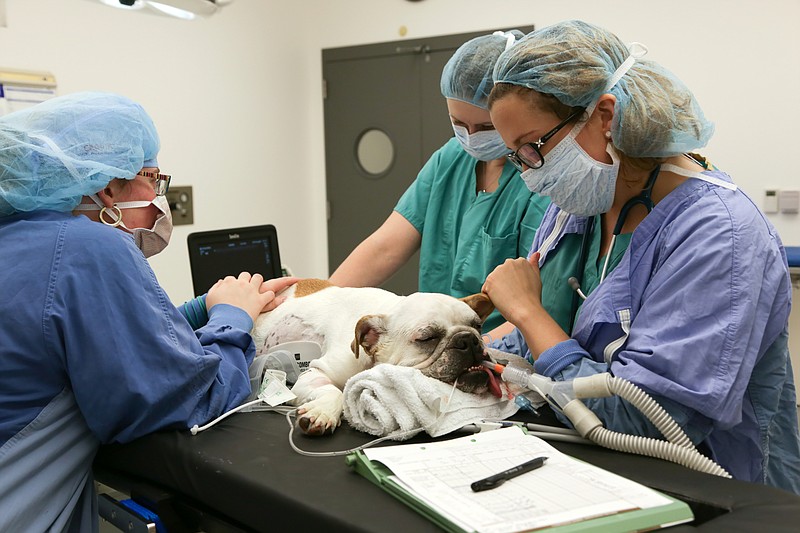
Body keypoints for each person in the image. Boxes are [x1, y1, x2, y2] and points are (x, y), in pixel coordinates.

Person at [482, 20, 800, 493]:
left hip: (716, 493)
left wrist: (527, 312)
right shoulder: (580, 208)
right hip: (593, 474)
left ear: (605, 116)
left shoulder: (720, 236)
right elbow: (539, 349)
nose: (529, 172)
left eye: (533, 147)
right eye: (515, 155)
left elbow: (650, 421)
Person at [0, 91, 296, 531]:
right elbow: (186, 399)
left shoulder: (19, 239)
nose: (159, 198)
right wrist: (234, 321)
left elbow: (78, 341)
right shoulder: (88, 249)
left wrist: (202, 309)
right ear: (109, 188)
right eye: (152, 180)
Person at [329, 30, 550, 332]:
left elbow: (542, 306)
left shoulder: (540, 178)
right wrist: (321, 300)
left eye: (486, 126)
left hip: (501, 347)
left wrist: (476, 353)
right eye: (459, 123)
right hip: (432, 337)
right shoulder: (451, 158)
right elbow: (386, 246)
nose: (470, 136)